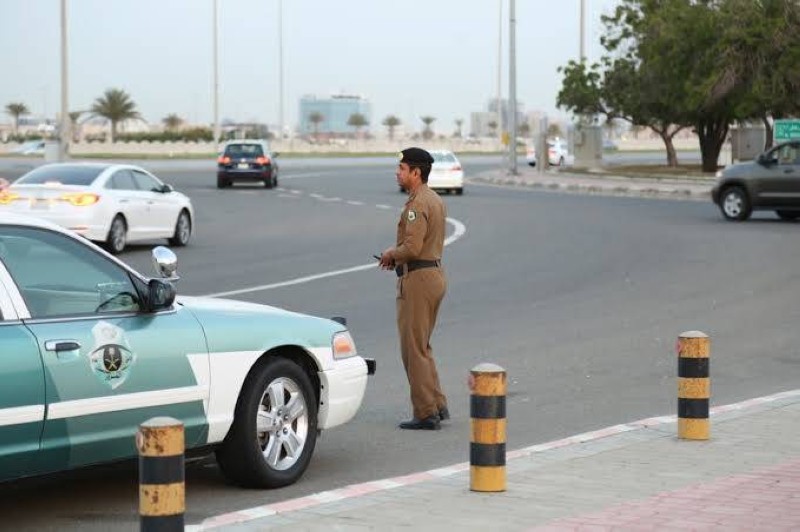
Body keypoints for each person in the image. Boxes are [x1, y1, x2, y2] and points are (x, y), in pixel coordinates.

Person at [378, 147, 448, 430]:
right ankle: (437, 404)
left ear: (416, 173)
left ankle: (425, 413)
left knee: (413, 350)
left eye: (403, 168)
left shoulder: (418, 204)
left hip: (418, 281)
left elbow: (412, 247)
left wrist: (390, 254)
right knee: (423, 347)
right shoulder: (433, 198)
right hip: (433, 275)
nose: (398, 173)